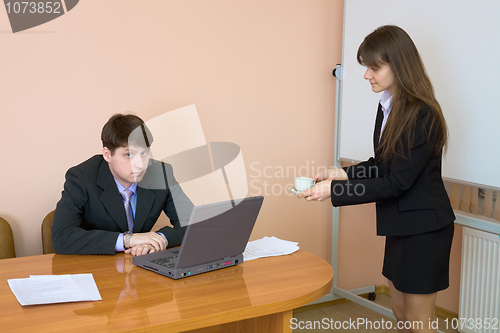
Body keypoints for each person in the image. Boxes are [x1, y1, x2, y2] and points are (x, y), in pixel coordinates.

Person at [298, 25, 455, 333]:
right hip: (401, 226)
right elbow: (383, 163)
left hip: (425, 229)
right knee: (399, 312)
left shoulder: (423, 114)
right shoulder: (388, 107)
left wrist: (335, 190)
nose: (367, 75)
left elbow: (396, 181)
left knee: (419, 323)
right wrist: (339, 173)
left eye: (374, 67)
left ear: (398, 64)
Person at [52, 114, 193, 256]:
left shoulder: (161, 173)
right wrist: (128, 240)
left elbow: (193, 223)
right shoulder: (81, 177)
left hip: (140, 266)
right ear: (107, 154)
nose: (140, 164)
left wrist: (158, 240)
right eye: (129, 155)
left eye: (144, 153)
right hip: (96, 267)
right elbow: (61, 237)